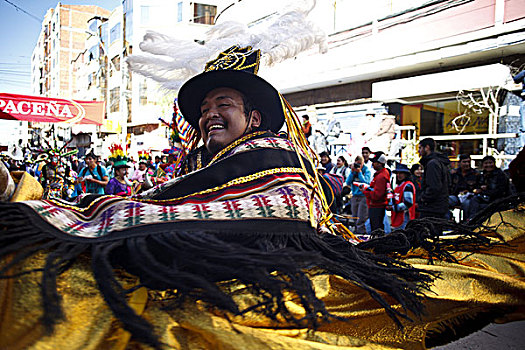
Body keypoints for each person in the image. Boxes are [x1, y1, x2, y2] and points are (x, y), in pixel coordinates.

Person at [0, 46, 524, 350]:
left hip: (288, 284)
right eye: (203, 109)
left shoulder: (271, 152)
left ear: (253, 118)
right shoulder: (203, 163)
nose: (208, 114)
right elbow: (162, 201)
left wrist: (61, 211)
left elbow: (278, 211)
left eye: (222, 103)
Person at [466, 155, 509, 220]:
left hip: (497, 200)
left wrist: (484, 191)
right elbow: (476, 186)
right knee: (468, 202)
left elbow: (500, 191)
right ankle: (471, 220)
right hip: (484, 199)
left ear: (494, 164)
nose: (488, 165)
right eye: (486, 163)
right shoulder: (482, 175)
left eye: (490, 163)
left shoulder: (501, 175)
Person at [418, 138, 450, 219]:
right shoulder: (438, 162)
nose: (419, 151)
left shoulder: (432, 164)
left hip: (432, 208)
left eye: (420, 148)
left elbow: (434, 187)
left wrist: (423, 197)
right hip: (437, 206)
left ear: (427, 148)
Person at [363, 152, 390, 231]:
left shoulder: (381, 176)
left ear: (380, 163)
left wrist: (365, 191)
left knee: (376, 228)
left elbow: (377, 195)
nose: (372, 164)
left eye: (374, 162)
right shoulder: (381, 174)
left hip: (377, 206)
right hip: (377, 206)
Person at [345, 155, 371, 234]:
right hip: (354, 196)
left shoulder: (366, 170)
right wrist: (352, 172)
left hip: (363, 196)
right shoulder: (353, 171)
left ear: (363, 163)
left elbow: (365, 182)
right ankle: (356, 233)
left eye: (359, 164)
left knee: (361, 218)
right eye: (356, 164)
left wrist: (359, 173)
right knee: (355, 217)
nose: (358, 166)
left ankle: (361, 234)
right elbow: (348, 182)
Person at [390, 163, 416, 230]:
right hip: (398, 217)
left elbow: (408, 203)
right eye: (397, 173)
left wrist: (393, 208)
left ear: (406, 174)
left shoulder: (407, 186)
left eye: (401, 173)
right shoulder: (399, 186)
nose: (398, 175)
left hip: (404, 217)